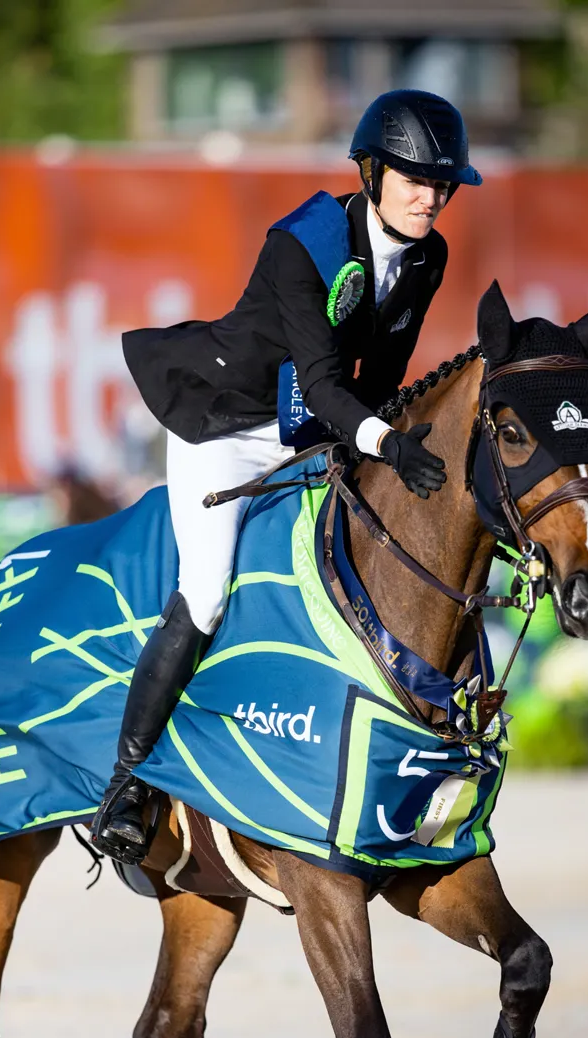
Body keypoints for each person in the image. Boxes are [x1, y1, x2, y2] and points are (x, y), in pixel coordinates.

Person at [90, 89, 483, 864]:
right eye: (415, 180)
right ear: (370, 173)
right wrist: (383, 441)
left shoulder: (428, 256)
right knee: (207, 592)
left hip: (314, 430)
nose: (431, 198)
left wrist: (390, 442)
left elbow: (383, 376)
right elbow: (327, 382)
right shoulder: (302, 245)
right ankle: (125, 786)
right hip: (226, 428)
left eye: (442, 185)